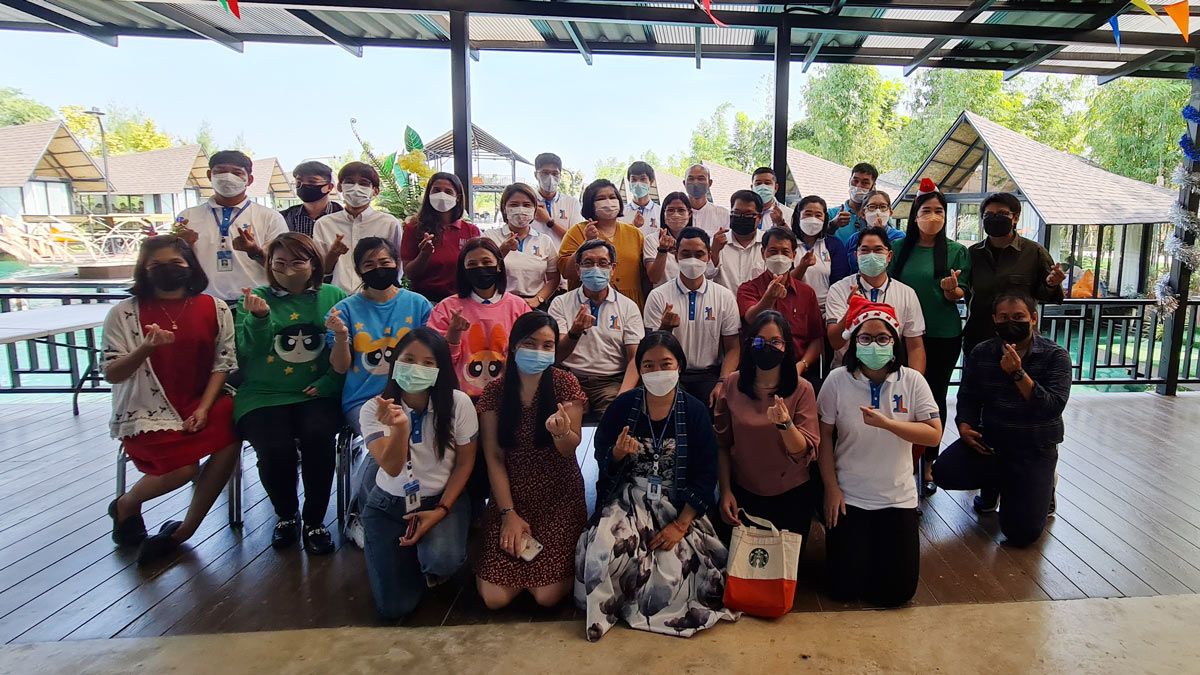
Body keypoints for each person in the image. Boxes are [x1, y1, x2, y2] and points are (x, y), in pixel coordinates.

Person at [575, 331, 736, 641]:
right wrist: (617, 454)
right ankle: (610, 609)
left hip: (678, 502)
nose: (657, 371)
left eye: (666, 363)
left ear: (679, 366)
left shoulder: (694, 411)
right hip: (629, 498)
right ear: (639, 369)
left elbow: (706, 473)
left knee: (674, 570)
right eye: (648, 365)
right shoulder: (623, 407)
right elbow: (601, 452)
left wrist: (681, 524)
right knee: (602, 550)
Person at [102, 235, 240, 564]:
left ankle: (185, 530)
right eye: (156, 265)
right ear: (144, 269)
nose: (167, 270)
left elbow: (223, 363)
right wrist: (146, 348)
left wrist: (204, 408)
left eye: (176, 263)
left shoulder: (215, 307)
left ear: (190, 266)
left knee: (234, 428)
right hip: (148, 410)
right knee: (183, 470)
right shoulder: (124, 313)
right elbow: (112, 373)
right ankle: (126, 504)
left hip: (199, 400)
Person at [817, 296, 941, 607]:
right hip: (850, 496)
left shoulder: (912, 381)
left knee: (897, 594)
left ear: (895, 342)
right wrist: (831, 488)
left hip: (897, 498)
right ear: (854, 342)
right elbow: (824, 437)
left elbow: (933, 433)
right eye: (866, 338)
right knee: (843, 590)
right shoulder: (837, 380)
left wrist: (889, 424)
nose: (874, 345)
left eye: (883, 338)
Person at [234, 233, 346, 554]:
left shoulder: (333, 296)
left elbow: (342, 350)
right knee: (274, 447)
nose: (288, 270)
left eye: (297, 262)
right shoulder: (253, 298)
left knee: (319, 437)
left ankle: (315, 520)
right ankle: (286, 515)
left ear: (314, 264)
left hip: (317, 392)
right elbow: (249, 352)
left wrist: (328, 383)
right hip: (264, 394)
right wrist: (259, 318)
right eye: (279, 263)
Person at [357, 328, 477, 620]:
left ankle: (425, 555)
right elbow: (392, 467)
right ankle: (405, 556)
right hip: (387, 505)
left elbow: (464, 464)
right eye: (409, 359)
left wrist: (441, 510)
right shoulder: (374, 409)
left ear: (440, 369)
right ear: (395, 362)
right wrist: (400, 428)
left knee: (442, 559)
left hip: (441, 499)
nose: (416, 368)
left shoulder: (458, 403)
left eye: (428, 363)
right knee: (395, 608)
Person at [933, 293, 1071, 544]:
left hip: (1034, 446)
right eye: (1004, 317)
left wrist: (1018, 373)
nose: (1011, 323)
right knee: (943, 472)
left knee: (1021, 534)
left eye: (1018, 317)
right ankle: (996, 483)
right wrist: (964, 425)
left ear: (1033, 318)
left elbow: (1052, 408)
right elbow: (969, 395)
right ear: (994, 320)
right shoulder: (982, 352)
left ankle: (1043, 483)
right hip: (992, 440)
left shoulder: (1055, 356)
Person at [475, 312, 588, 610]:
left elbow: (569, 450)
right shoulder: (495, 392)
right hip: (511, 495)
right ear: (514, 346)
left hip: (558, 497)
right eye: (530, 343)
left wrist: (562, 433)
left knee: (547, 596)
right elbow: (494, 456)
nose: (538, 351)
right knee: (495, 598)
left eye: (547, 346)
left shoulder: (565, 384)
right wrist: (508, 514)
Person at [889, 181, 971, 495]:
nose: (933, 216)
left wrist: (952, 291)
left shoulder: (956, 251)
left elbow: (962, 293)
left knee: (933, 398)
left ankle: (928, 463)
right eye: (926, 210)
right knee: (899, 395)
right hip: (901, 335)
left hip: (942, 335)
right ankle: (900, 458)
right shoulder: (899, 249)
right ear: (915, 215)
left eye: (939, 211)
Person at [715, 311, 819, 542]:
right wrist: (725, 491)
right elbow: (722, 445)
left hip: (791, 496)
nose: (767, 348)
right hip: (743, 494)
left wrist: (785, 424)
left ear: (786, 346)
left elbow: (803, 453)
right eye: (760, 341)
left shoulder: (802, 389)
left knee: (786, 565)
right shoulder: (732, 383)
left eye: (775, 342)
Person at [327, 237, 433, 434]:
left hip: (414, 395)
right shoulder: (343, 311)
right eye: (369, 265)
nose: (378, 269)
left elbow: (430, 357)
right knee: (387, 442)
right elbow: (340, 367)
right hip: (364, 400)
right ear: (359, 271)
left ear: (397, 264)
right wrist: (341, 336)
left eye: (385, 262)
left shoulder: (419, 304)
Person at [172, 150, 288, 306]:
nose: (227, 177)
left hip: (255, 304)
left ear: (249, 179)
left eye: (237, 173)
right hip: (204, 303)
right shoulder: (186, 217)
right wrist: (184, 247)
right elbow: (174, 264)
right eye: (220, 171)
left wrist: (254, 252)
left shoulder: (271, 217)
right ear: (209, 175)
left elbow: (284, 267)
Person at [643, 227, 741, 408]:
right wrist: (665, 329)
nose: (692, 260)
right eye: (686, 254)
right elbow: (650, 349)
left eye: (699, 254)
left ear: (709, 257)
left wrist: (722, 382)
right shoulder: (658, 296)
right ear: (676, 256)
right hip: (670, 373)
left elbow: (733, 347)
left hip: (710, 375)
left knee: (712, 411)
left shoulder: (724, 296)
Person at [547, 240, 643, 416]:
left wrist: (622, 397)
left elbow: (634, 359)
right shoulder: (560, 303)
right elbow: (557, 356)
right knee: (563, 420)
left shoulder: (628, 306)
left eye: (603, 263)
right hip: (570, 377)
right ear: (578, 270)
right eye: (588, 263)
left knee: (617, 419)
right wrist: (574, 332)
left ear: (613, 269)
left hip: (611, 381)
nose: (595, 269)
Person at [963, 192, 1066, 357]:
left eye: (1002, 214)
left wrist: (1051, 284)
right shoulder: (972, 253)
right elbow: (964, 291)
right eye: (988, 215)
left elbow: (1051, 297)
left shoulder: (1034, 252)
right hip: (979, 338)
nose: (995, 218)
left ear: (1015, 218)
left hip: (1021, 341)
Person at [427, 238, 530, 399]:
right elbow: (435, 360)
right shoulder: (446, 308)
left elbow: (527, 355)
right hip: (460, 398)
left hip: (507, 396)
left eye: (486, 262)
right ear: (463, 270)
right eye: (472, 264)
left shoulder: (518, 306)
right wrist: (453, 334)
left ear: (499, 265)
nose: (480, 268)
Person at [826, 226, 927, 374]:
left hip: (891, 374)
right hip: (847, 373)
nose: (871, 255)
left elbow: (915, 347)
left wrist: (914, 382)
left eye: (878, 250)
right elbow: (835, 342)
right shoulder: (838, 290)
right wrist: (851, 311)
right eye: (865, 250)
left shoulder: (906, 293)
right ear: (856, 255)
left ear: (889, 256)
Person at [736, 227, 824, 383]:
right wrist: (768, 298)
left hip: (798, 371)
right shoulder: (748, 289)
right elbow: (750, 318)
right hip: (757, 371)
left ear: (794, 255)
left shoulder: (806, 292)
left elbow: (816, 340)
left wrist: (801, 366)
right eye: (773, 251)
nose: (779, 257)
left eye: (785, 252)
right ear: (763, 253)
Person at [557, 178, 648, 309]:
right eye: (601, 198)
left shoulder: (634, 234)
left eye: (612, 197)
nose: (608, 202)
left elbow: (645, 275)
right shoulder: (577, 231)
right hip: (587, 305)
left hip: (629, 306)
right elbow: (566, 272)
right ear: (590, 203)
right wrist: (587, 242)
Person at [313, 162, 403, 294]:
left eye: (363, 183)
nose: (356, 188)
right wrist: (334, 253)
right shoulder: (324, 224)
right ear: (340, 187)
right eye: (349, 182)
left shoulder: (389, 223)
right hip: (340, 296)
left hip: (378, 295)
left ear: (375, 190)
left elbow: (398, 263)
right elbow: (322, 270)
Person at [401, 172, 482, 302]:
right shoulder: (414, 229)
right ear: (428, 194)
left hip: (462, 301)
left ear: (458, 197)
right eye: (436, 190)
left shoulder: (471, 231)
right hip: (426, 302)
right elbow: (409, 273)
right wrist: (424, 254)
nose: (442, 195)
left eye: (448, 192)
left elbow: (478, 269)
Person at [483, 183, 560, 310]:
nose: (520, 210)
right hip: (499, 304)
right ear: (504, 208)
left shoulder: (544, 241)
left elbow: (554, 278)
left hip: (534, 305)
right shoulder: (489, 237)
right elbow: (483, 272)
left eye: (526, 205)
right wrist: (502, 251)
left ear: (534, 209)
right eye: (514, 205)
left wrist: (538, 299)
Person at [791, 195, 851, 314]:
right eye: (808, 214)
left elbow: (839, 282)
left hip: (825, 310)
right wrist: (802, 266)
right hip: (792, 308)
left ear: (825, 219)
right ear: (798, 216)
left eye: (818, 215)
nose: (813, 219)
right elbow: (784, 281)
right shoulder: (787, 243)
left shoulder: (834, 245)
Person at [711, 190, 763, 292]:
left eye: (748, 215)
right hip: (723, 302)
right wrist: (714, 252)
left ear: (759, 218)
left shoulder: (767, 243)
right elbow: (706, 276)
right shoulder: (716, 243)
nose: (742, 217)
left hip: (759, 301)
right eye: (737, 213)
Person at [844, 190, 905, 273]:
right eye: (872, 207)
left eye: (883, 207)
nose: (878, 212)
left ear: (890, 212)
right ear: (863, 213)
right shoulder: (854, 239)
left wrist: (880, 234)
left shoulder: (899, 238)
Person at [531, 152, 583, 247]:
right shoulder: (528, 203)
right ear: (536, 175)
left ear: (560, 176)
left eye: (555, 173)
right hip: (535, 256)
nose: (550, 178)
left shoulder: (572, 203)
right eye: (545, 173)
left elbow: (576, 239)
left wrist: (549, 221)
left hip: (563, 256)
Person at [280, 161, 343, 237]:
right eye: (299, 182)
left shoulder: (344, 217)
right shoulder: (283, 218)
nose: (303, 186)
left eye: (312, 181)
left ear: (329, 187)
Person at [829, 162, 878, 245]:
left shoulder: (878, 215)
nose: (858, 186)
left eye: (865, 183)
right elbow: (817, 238)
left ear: (873, 186)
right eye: (855, 181)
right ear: (849, 181)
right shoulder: (832, 214)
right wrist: (833, 225)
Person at [683, 164, 730, 236]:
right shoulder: (674, 214)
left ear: (710, 183)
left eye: (701, 179)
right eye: (691, 179)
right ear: (684, 183)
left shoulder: (723, 214)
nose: (695, 183)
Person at [624, 160, 662, 237]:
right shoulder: (621, 213)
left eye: (643, 179)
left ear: (651, 182)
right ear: (629, 182)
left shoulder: (660, 212)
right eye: (634, 180)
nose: (638, 183)